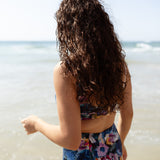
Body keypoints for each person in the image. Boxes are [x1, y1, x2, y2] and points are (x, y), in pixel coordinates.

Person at [21, 0, 133, 159]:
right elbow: (127, 114)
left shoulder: (67, 71)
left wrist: (36, 124)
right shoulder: (119, 65)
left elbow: (71, 140)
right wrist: (119, 142)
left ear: (67, 29)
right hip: (111, 146)